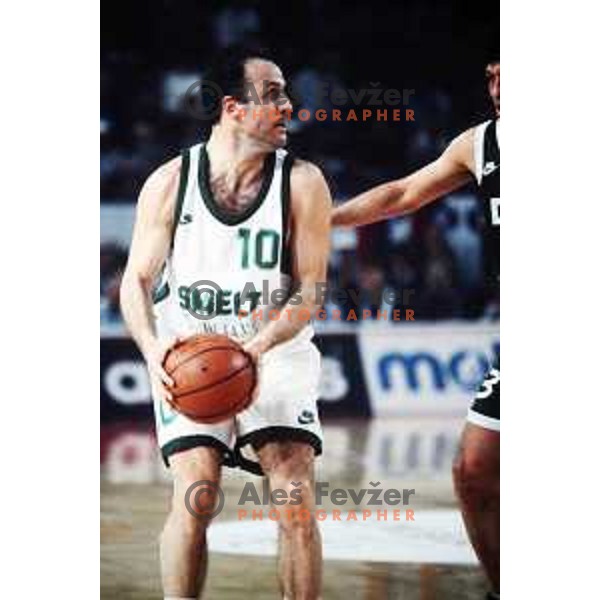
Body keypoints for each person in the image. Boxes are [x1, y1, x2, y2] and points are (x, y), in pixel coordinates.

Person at [120, 50, 331, 600]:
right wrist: (153, 350)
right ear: (234, 108)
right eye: (274, 94)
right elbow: (135, 281)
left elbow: (311, 289)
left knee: (294, 499)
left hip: (276, 347)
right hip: (189, 349)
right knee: (196, 494)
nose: (289, 105)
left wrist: (258, 346)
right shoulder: (170, 182)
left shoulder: (303, 182)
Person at [332, 60, 500, 599]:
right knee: (473, 471)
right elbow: (403, 194)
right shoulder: (478, 143)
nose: (499, 88)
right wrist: (323, 218)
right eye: (494, 76)